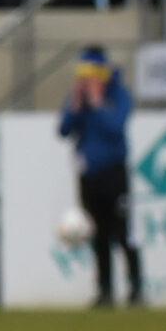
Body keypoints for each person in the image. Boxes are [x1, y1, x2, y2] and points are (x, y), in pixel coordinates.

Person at [57, 48, 142, 309]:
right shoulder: (78, 99)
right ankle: (104, 291)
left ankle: (136, 289)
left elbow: (116, 128)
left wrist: (97, 104)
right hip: (88, 176)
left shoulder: (119, 96)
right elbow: (63, 130)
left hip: (114, 174)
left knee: (123, 233)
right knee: (99, 236)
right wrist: (76, 107)